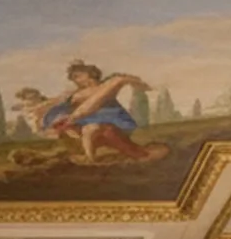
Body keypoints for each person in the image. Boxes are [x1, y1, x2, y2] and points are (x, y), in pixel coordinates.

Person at [35, 62, 167, 164]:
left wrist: (144, 86)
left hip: (114, 122)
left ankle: (94, 158)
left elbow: (123, 80)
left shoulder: (106, 85)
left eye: (78, 76)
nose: (76, 80)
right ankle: (90, 159)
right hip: (82, 126)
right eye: (73, 78)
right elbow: (55, 103)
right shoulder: (75, 94)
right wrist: (41, 114)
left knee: (93, 128)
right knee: (88, 128)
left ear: (90, 73)